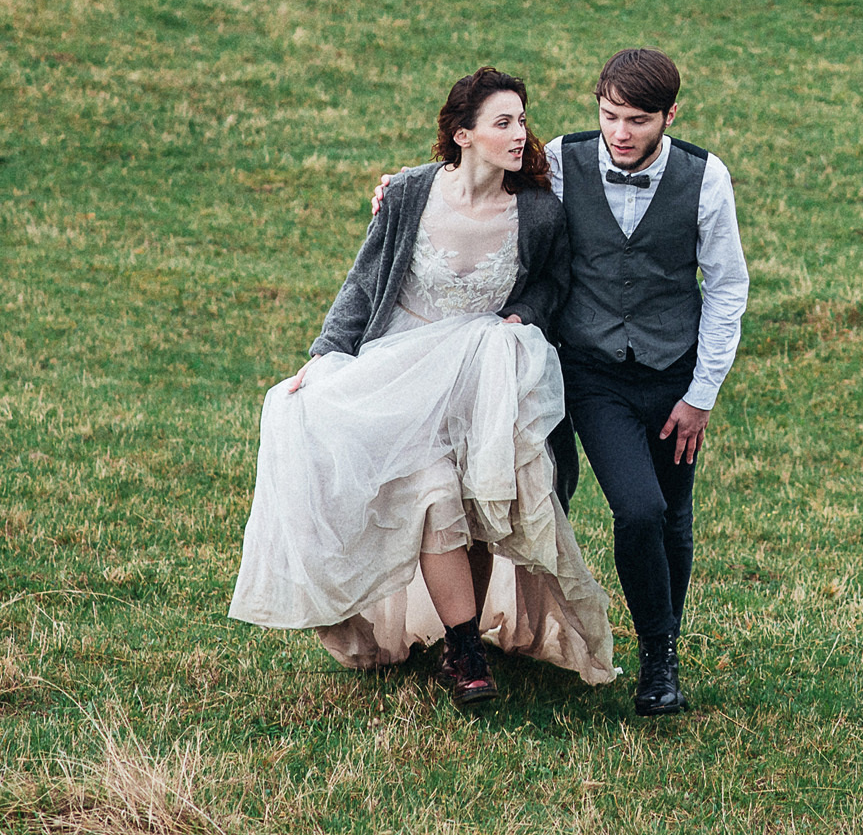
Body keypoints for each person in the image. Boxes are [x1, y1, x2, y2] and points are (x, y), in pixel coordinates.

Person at [376, 47, 747, 716]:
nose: (620, 133)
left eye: (637, 120)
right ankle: (523, 639)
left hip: (673, 375)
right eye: (609, 116)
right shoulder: (568, 165)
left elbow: (726, 289)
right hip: (591, 370)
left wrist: (701, 395)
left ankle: (659, 662)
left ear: (669, 115)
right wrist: (401, 191)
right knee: (637, 509)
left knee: (671, 520)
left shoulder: (704, 177)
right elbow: (481, 172)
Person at [229, 68, 615, 709]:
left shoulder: (540, 212)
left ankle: (460, 646)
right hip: (402, 374)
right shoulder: (409, 191)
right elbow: (364, 280)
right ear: (463, 135)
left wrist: (525, 313)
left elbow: (555, 281)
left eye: (522, 119)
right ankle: (465, 651)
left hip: (480, 379)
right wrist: (325, 356)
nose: (520, 133)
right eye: (503, 122)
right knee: (434, 496)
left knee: (476, 503)